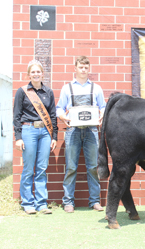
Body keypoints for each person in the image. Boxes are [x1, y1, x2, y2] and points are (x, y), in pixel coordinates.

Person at [56, 56, 106, 213]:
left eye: (86, 67)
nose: (83, 70)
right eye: (80, 67)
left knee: (93, 167)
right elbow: (59, 108)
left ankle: (95, 201)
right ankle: (68, 202)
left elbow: (104, 106)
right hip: (73, 131)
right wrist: (64, 117)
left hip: (91, 130)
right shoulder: (67, 88)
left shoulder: (96, 88)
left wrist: (101, 115)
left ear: (88, 69)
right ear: (75, 68)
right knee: (71, 167)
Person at [13, 60, 58, 215]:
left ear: (42, 73)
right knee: (28, 168)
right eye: (33, 72)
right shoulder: (22, 91)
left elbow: (52, 115)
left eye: (38, 71)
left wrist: (54, 136)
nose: (36, 74)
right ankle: (28, 203)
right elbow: (17, 116)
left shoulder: (48, 92)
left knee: (41, 168)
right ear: (28, 74)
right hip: (28, 130)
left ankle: (41, 203)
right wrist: (18, 137)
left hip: (45, 132)